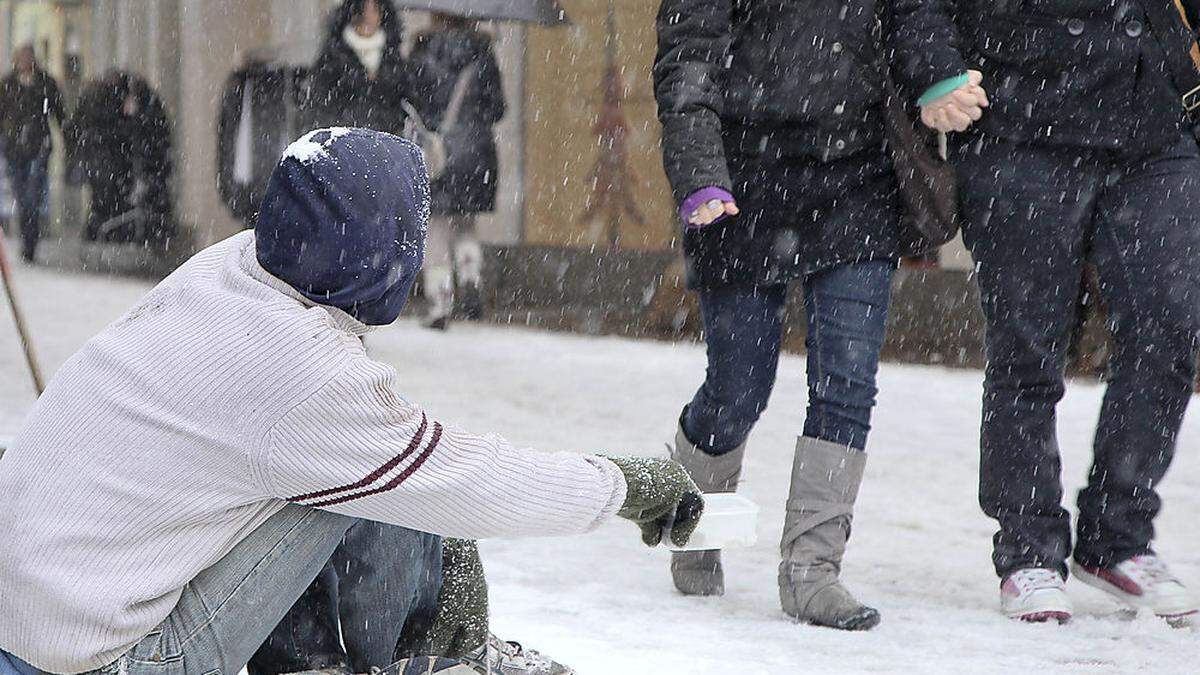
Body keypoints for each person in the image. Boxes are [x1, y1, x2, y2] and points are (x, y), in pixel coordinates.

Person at [0, 128, 703, 674]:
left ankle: (316, 658)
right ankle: (401, 655)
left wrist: (443, 526)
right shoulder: (302, 372)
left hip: (29, 614)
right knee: (350, 481)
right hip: (102, 658)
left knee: (351, 462)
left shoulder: (232, 268)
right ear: (384, 256)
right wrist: (622, 484)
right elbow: (460, 477)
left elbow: (385, 441)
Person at [651, 0, 987, 631]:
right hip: (739, 181)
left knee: (847, 383)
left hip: (859, 176)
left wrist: (938, 76)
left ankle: (813, 570)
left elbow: (916, 16)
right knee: (738, 389)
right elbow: (687, 55)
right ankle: (696, 521)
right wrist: (698, 171)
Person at [894, 0, 1200, 624]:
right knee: (1028, 352)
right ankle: (1029, 551)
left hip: (1157, 126)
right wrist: (936, 68)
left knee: (1170, 328)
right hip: (1021, 128)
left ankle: (1118, 536)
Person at [408, 12, 506, 329]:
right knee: (465, 220)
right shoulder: (484, 53)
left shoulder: (422, 51)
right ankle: (470, 274)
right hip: (477, 151)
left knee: (436, 225)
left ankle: (441, 302)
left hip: (439, 149)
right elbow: (498, 109)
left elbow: (410, 102)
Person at [69, 70, 173, 246]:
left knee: (109, 202)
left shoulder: (108, 106)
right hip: (115, 164)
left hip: (115, 164)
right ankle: (119, 236)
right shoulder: (112, 107)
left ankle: (110, 236)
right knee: (115, 201)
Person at [0, 45, 65, 263]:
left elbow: (58, 112)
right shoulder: (8, 84)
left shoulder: (45, 83)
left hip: (38, 147)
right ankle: (27, 235)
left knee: (32, 196)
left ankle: (30, 241)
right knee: (22, 195)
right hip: (15, 149)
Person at [309, 0, 409, 136]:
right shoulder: (333, 57)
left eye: (375, 10)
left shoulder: (393, 55)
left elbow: (406, 98)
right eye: (364, 10)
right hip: (347, 140)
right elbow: (321, 102)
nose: (369, 17)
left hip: (387, 140)